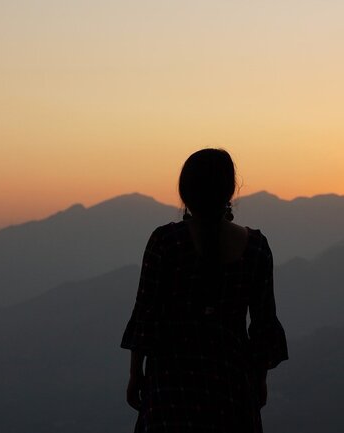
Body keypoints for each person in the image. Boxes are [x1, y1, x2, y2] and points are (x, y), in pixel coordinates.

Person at [120, 148, 289, 433]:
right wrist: (259, 380)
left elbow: (146, 314)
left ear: (185, 191)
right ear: (230, 190)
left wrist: (136, 374)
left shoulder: (166, 242)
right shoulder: (256, 248)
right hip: (232, 387)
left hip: (171, 388)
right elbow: (263, 326)